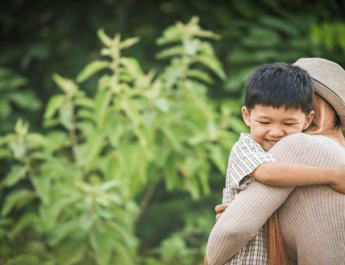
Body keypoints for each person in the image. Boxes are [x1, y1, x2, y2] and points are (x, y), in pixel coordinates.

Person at [205, 58, 345, 265]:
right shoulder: (337, 155)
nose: (276, 131)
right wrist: (245, 208)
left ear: (309, 113)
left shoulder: (301, 145)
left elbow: (234, 229)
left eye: (288, 121)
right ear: (247, 115)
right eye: (265, 121)